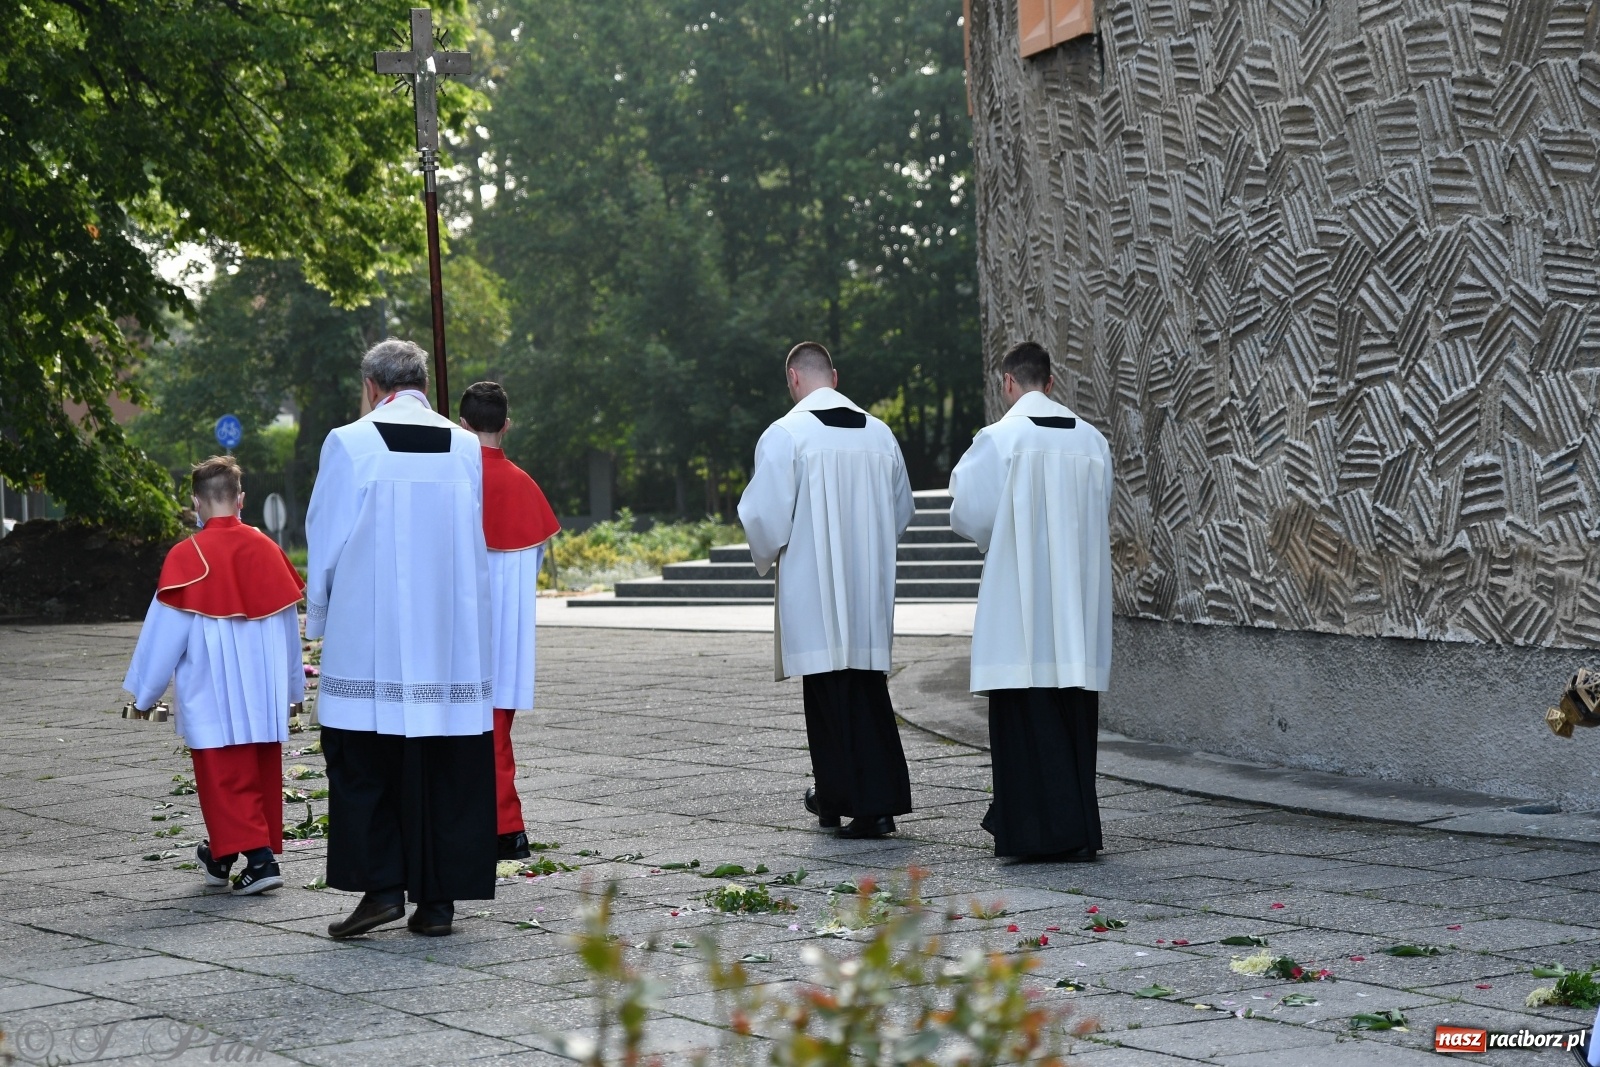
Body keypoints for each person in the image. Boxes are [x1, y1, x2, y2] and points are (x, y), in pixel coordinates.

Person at [305, 339, 496, 939]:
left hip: (372, 634)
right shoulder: (465, 446)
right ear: (422, 383)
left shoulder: (350, 443)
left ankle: (383, 886)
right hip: (449, 638)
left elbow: (326, 541)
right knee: (445, 765)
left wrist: (320, 619)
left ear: (371, 387)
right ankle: (438, 901)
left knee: (366, 761)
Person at [737, 342, 915, 839]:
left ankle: (847, 796)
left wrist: (772, 550)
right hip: (868, 587)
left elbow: (763, 517)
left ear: (794, 378)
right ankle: (870, 799)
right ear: (833, 377)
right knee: (866, 690)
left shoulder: (786, 434)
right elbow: (901, 512)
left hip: (815, 586)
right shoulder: (881, 434)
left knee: (827, 693)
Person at [948, 341, 1113, 861]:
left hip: (1021, 607)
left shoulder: (998, 440)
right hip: (1075, 608)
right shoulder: (1092, 442)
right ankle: (1079, 829)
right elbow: (1099, 506)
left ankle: (1032, 833)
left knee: (1024, 717)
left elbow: (970, 514)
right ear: (1051, 381)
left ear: (1007, 384)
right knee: (1073, 714)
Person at [122, 456, 305, 895]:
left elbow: (163, 637)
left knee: (222, 776)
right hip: (263, 689)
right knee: (257, 771)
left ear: (195, 503)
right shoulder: (268, 551)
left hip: (211, 687)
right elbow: (288, 633)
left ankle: (260, 861)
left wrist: (144, 697)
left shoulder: (187, 557)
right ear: (241, 499)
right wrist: (293, 692)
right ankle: (220, 855)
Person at [458, 381, 561, 861]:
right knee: (497, 724)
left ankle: (498, 824)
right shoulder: (525, 486)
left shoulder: (453, 482)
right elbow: (534, 563)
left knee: (466, 729)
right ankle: (506, 824)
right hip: (510, 628)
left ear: (462, 425)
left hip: (462, 625)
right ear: (507, 424)